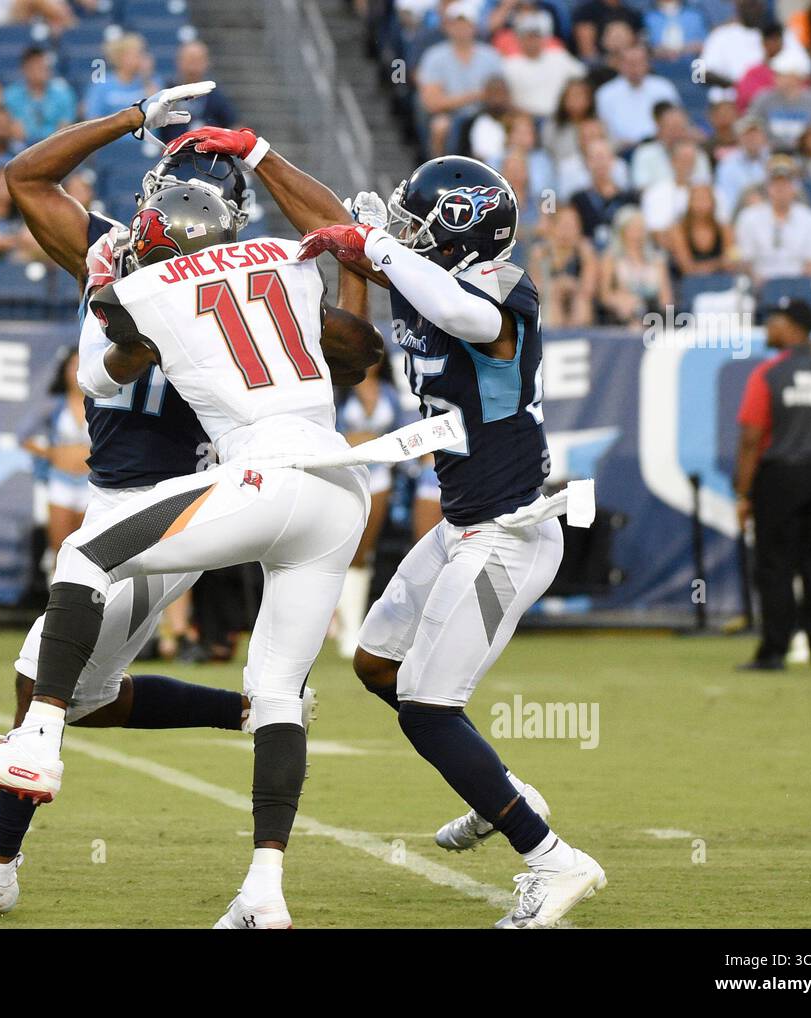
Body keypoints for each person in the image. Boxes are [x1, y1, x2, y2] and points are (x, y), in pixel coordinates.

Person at [0, 85, 367, 920]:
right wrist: (130, 118)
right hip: (124, 492)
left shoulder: (181, 280)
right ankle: (244, 710)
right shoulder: (125, 253)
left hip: (181, 498)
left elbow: (342, 342)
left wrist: (135, 333)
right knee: (91, 695)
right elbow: (26, 181)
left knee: (42, 675)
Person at [187, 129, 608, 929]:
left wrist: (377, 242)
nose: (406, 236)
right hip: (463, 525)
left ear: (459, 230)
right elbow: (338, 226)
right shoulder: (425, 271)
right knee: (378, 664)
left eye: (422, 226)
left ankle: (553, 860)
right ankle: (505, 791)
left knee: (425, 706)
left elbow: (455, 307)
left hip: (510, 534)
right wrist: (258, 154)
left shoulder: (501, 290)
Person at [734, 299, 811, 672]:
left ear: (792, 327)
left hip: (779, 478)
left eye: (774, 320)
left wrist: (743, 493)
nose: (768, 328)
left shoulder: (768, 374)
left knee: (775, 567)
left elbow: (751, 439)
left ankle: (774, 651)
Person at [333, 354, 403, 658]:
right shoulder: (340, 391)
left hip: (380, 476)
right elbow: (329, 433)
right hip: (345, 476)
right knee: (342, 549)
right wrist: (357, 439)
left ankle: (353, 628)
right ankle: (339, 622)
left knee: (363, 551)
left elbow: (399, 431)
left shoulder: (389, 393)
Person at [22, 347, 91, 567]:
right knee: (59, 548)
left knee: (88, 551)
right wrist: (51, 453)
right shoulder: (53, 405)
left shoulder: (102, 404)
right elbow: (24, 435)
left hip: (91, 483)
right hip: (60, 481)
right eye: (73, 365)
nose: (77, 370)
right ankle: (56, 595)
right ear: (64, 371)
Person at [416, 0, 503, 156]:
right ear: (448, 26)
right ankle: (440, 171)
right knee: (440, 126)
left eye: (466, 24)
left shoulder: (491, 56)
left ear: (474, 26)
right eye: (457, 23)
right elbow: (431, 103)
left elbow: (498, 95)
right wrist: (474, 96)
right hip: (450, 115)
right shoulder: (434, 56)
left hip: (485, 114)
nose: (462, 29)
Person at [733, 155, 811, 284]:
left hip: (799, 284)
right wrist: (759, 281)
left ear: (795, 187)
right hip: (759, 284)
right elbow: (745, 260)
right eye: (776, 183)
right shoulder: (748, 217)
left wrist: (792, 286)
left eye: (786, 183)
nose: (781, 188)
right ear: (767, 187)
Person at [594, 43, 682, 152]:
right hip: (621, 150)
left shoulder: (664, 87)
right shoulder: (605, 93)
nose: (635, 68)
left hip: (661, 148)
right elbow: (603, 129)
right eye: (630, 63)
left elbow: (676, 122)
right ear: (620, 64)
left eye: (639, 62)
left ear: (647, 64)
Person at [598, 205, 672, 323]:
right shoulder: (610, 258)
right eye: (632, 228)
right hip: (622, 313)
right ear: (622, 230)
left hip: (653, 313)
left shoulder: (657, 260)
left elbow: (666, 297)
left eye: (640, 228)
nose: (637, 233)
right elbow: (604, 294)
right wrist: (620, 300)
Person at [530, 204, 597, 326]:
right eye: (563, 225)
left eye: (572, 226)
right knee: (553, 296)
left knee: (582, 300)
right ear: (553, 227)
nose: (567, 231)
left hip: (576, 302)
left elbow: (589, 288)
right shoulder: (541, 251)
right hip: (548, 302)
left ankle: (577, 334)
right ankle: (555, 336)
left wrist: (572, 285)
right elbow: (535, 288)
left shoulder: (585, 252)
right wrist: (555, 286)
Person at [1, 45, 76, 147]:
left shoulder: (63, 93)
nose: (40, 70)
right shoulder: (11, 95)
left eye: (43, 65)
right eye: (34, 66)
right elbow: (15, 130)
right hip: (21, 149)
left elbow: (65, 128)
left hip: (55, 147)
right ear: (25, 69)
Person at [666, 182, 737, 277]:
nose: (701, 204)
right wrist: (719, 264)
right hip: (690, 285)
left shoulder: (724, 229)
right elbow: (687, 268)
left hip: (721, 282)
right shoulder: (678, 230)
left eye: (705, 199)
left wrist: (703, 267)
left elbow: (731, 262)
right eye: (697, 199)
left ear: (713, 202)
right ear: (689, 203)